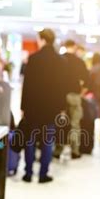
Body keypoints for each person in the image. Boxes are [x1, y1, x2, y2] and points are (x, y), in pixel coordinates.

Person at [21, 28, 66, 183]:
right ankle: (43, 174)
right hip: (51, 109)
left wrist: (23, 107)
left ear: (43, 40)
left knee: (30, 140)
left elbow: (26, 86)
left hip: (33, 107)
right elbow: (62, 88)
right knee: (47, 142)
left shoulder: (33, 59)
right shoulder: (60, 61)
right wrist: (61, 108)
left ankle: (28, 173)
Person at [53, 39, 89, 159]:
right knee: (75, 124)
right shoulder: (79, 62)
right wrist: (81, 93)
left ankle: (58, 150)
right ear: (74, 47)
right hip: (74, 96)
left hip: (59, 96)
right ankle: (75, 150)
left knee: (60, 123)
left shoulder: (58, 60)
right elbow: (87, 81)